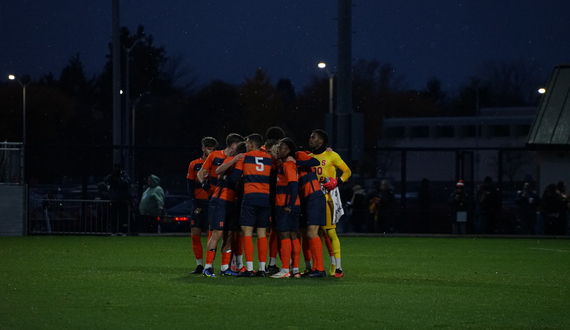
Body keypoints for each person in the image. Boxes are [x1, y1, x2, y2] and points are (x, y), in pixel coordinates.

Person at [227, 133, 274, 277]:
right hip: (265, 198)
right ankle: (261, 269)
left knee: (247, 232)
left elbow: (233, 179)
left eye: (247, 143)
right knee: (261, 233)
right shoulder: (268, 158)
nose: (245, 146)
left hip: (250, 197)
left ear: (252, 144)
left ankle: (248, 269)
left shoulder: (244, 158)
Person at [308, 129, 352, 278]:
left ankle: (337, 266)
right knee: (316, 233)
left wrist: (337, 181)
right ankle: (316, 266)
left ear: (321, 141)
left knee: (330, 232)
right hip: (312, 199)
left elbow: (347, 171)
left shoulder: (331, 155)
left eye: (313, 137)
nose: (310, 139)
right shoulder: (309, 157)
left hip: (327, 198)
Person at [202, 142, 247, 277]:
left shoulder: (246, 164)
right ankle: (207, 267)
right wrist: (233, 160)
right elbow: (217, 171)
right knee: (217, 233)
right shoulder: (231, 160)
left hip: (232, 202)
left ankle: (224, 268)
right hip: (220, 201)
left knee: (228, 236)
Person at [186, 136, 218, 275]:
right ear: (203, 148)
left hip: (212, 202)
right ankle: (199, 264)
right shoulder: (194, 164)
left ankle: (208, 264)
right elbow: (189, 186)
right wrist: (194, 204)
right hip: (199, 203)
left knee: (210, 235)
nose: (211, 151)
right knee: (195, 234)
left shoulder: (216, 163)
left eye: (213, 148)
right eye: (209, 148)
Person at [270, 138, 301, 278]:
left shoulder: (288, 165)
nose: (278, 149)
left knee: (284, 235)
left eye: (281, 147)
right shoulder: (287, 165)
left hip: (285, 205)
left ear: (288, 150)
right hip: (292, 204)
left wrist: (289, 205)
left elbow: (294, 185)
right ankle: (295, 269)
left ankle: (284, 269)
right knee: (293, 235)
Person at [295, 147, 327, 278]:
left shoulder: (299, 154)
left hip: (314, 197)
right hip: (306, 200)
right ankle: (312, 267)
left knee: (313, 233)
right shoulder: (286, 162)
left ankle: (320, 268)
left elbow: (314, 162)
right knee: (305, 233)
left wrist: (296, 162)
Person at [104, 163, 131, 236]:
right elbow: (106, 181)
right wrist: (112, 175)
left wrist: (119, 178)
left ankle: (124, 231)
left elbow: (126, 184)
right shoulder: (112, 176)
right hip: (114, 200)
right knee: (113, 217)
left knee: (123, 217)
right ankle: (113, 231)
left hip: (123, 200)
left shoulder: (124, 175)